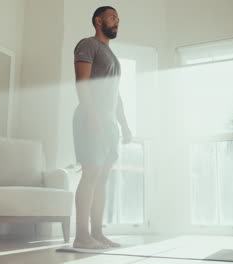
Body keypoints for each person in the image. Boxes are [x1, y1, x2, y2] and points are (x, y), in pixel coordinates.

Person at [72, 6, 132, 249]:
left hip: (110, 123)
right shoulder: (88, 45)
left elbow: (116, 95)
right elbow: (82, 82)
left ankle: (97, 233)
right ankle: (81, 236)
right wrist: (92, 116)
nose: (117, 21)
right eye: (112, 17)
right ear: (99, 21)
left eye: (118, 18)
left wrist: (124, 125)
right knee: (91, 174)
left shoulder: (112, 56)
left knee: (103, 178)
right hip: (90, 118)